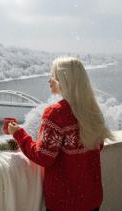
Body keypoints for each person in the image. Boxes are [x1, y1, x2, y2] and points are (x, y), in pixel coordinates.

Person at [8, 57, 116, 211]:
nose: (49, 80)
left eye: (53, 76)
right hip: (92, 198)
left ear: (64, 80)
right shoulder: (92, 110)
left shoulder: (56, 114)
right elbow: (97, 146)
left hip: (65, 203)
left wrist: (18, 133)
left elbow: (43, 157)